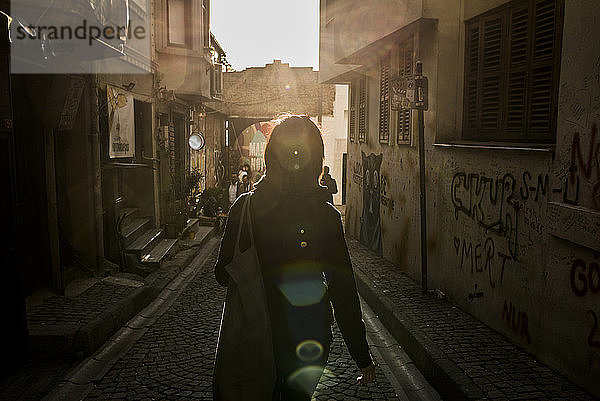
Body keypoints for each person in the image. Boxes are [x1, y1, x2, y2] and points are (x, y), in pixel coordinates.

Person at [215, 115, 375, 400]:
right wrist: (361, 355)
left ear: (270, 156)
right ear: (317, 161)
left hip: (255, 330)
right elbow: (343, 291)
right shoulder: (326, 216)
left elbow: (222, 274)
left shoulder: (244, 207)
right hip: (308, 337)